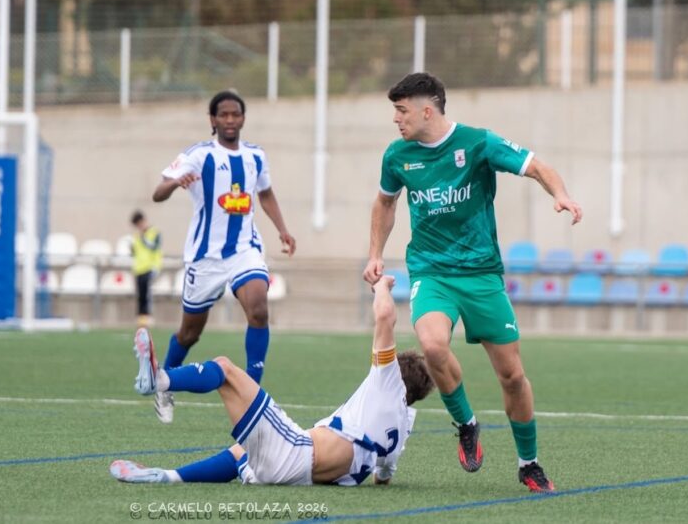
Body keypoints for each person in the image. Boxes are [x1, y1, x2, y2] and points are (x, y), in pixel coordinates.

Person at [363, 72, 583, 493]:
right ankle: (466, 423)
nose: (396, 119)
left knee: (512, 376)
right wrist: (375, 253)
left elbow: (537, 166)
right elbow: (385, 203)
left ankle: (529, 464)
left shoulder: (478, 143)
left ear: (427, 111)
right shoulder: (396, 156)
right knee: (431, 346)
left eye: (402, 110)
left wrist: (560, 194)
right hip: (431, 272)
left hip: (482, 274)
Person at [110, 275, 434, 486]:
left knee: (225, 368)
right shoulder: (402, 427)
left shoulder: (387, 383)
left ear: (396, 375)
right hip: (297, 475)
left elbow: (384, 316)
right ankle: (167, 476)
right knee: (242, 451)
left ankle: (159, 379)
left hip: (296, 451)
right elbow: (383, 476)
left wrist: (381, 286)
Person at [151, 90, 296, 424]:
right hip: (205, 258)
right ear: (213, 120)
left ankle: (251, 393)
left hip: (245, 250)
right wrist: (175, 183)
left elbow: (266, 193)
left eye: (236, 114)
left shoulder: (256, 156)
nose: (230, 120)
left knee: (258, 309)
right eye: (224, 115)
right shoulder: (198, 155)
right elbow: (157, 192)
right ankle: (164, 382)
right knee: (189, 333)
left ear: (243, 118)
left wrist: (283, 229)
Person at [129, 210, 162, 327]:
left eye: (139, 223)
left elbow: (154, 247)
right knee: (140, 295)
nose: (138, 227)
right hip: (139, 268)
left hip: (150, 267)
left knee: (148, 294)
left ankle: (148, 317)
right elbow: (135, 252)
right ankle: (141, 318)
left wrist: (143, 238)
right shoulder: (136, 235)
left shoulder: (154, 232)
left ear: (143, 221)